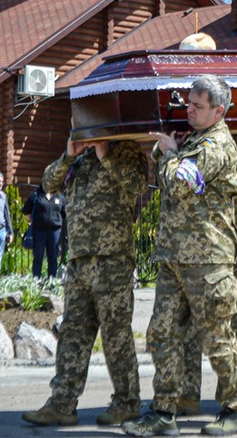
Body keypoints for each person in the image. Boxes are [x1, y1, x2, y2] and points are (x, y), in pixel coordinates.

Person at [123, 75, 237, 438]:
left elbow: (178, 182)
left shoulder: (217, 145)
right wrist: (172, 150)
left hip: (208, 259)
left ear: (219, 110)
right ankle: (164, 410)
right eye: (188, 104)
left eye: (197, 106)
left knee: (216, 337)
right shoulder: (196, 140)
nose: (189, 111)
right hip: (175, 256)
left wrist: (168, 152)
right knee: (162, 333)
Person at [22, 136, 147, 428]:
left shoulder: (124, 149)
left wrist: (106, 156)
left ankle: (127, 403)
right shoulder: (78, 158)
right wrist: (67, 155)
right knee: (72, 333)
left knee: (116, 335)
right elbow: (49, 184)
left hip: (112, 259)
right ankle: (62, 404)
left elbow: (138, 184)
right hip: (79, 260)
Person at [179, 135, 237, 418]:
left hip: (226, 246)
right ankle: (187, 394)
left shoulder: (234, 146)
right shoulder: (191, 141)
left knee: (230, 319)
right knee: (186, 321)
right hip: (190, 247)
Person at [22, 184, 67, 279]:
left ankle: (52, 280)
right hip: (39, 231)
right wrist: (34, 221)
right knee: (38, 257)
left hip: (55, 231)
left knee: (53, 257)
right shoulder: (36, 195)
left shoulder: (60, 196)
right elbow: (26, 212)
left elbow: (64, 214)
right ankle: (36, 280)